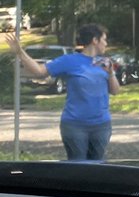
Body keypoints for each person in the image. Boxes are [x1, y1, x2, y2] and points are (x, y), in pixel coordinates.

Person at [5, 23, 120, 160]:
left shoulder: (104, 62)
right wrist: (20, 53)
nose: (106, 44)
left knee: (97, 167)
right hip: (75, 125)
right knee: (77, 167)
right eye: (104, 39)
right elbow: (40, 71)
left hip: (101, 125)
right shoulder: (69, 60)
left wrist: (111, 73)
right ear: (95, 40)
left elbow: (115, 91)